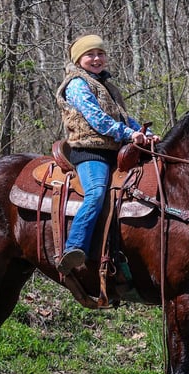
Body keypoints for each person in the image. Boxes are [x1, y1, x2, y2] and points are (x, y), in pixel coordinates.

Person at [54, 33, 159, 275]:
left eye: (100, 53)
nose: (96, 58)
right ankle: (74, 247)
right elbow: (98, 120)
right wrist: (128, 134)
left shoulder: (107, 86)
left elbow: (124, 117)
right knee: (96, 193)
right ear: (79, 58)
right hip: (89, 152)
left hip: (115, 150)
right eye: (90, 54)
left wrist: (146, 133)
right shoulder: (77, 84)